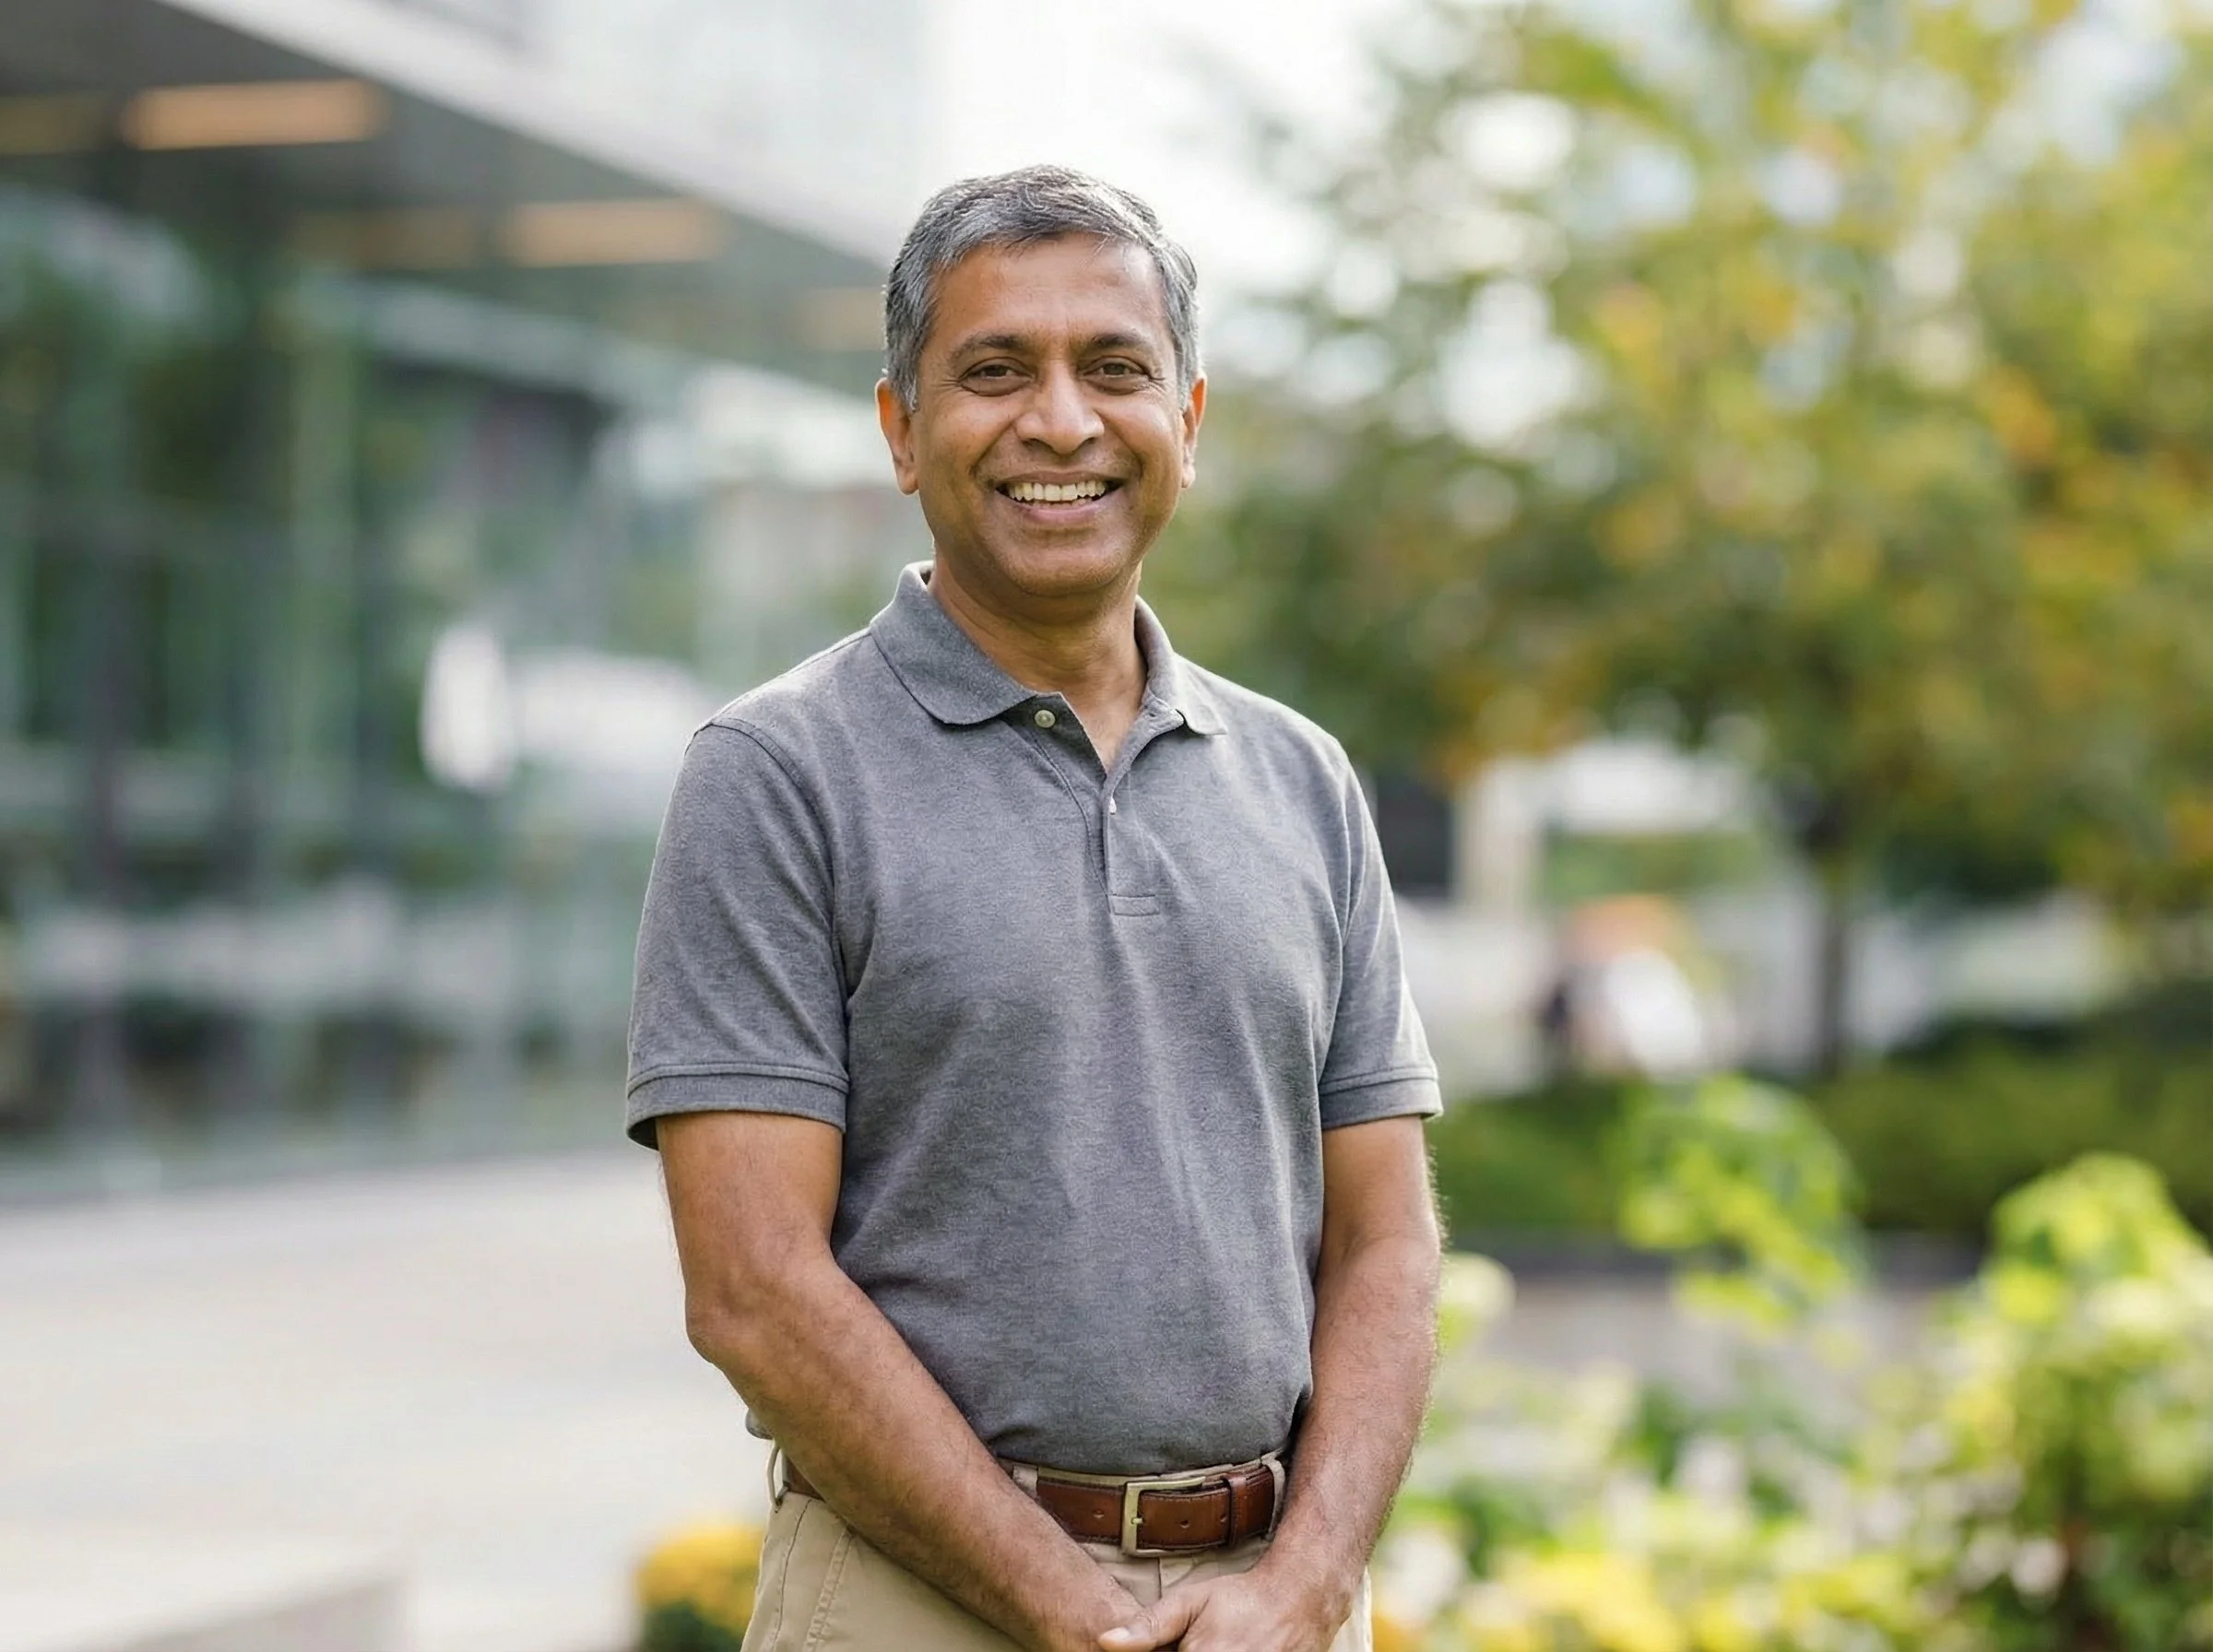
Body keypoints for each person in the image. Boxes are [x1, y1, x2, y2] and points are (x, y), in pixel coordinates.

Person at [626, 164, 1442, 1652]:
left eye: (1115, 369)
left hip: (1271, 1609)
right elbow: (752, 1289)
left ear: (1188, 421)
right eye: (995, 371)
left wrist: (1311, 1585)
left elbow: (1384, 1242)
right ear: (900, 428)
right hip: (915, 1604)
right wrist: (1069, 1611)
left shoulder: (1305, 782)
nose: (1061, 422)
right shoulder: (778, 774)